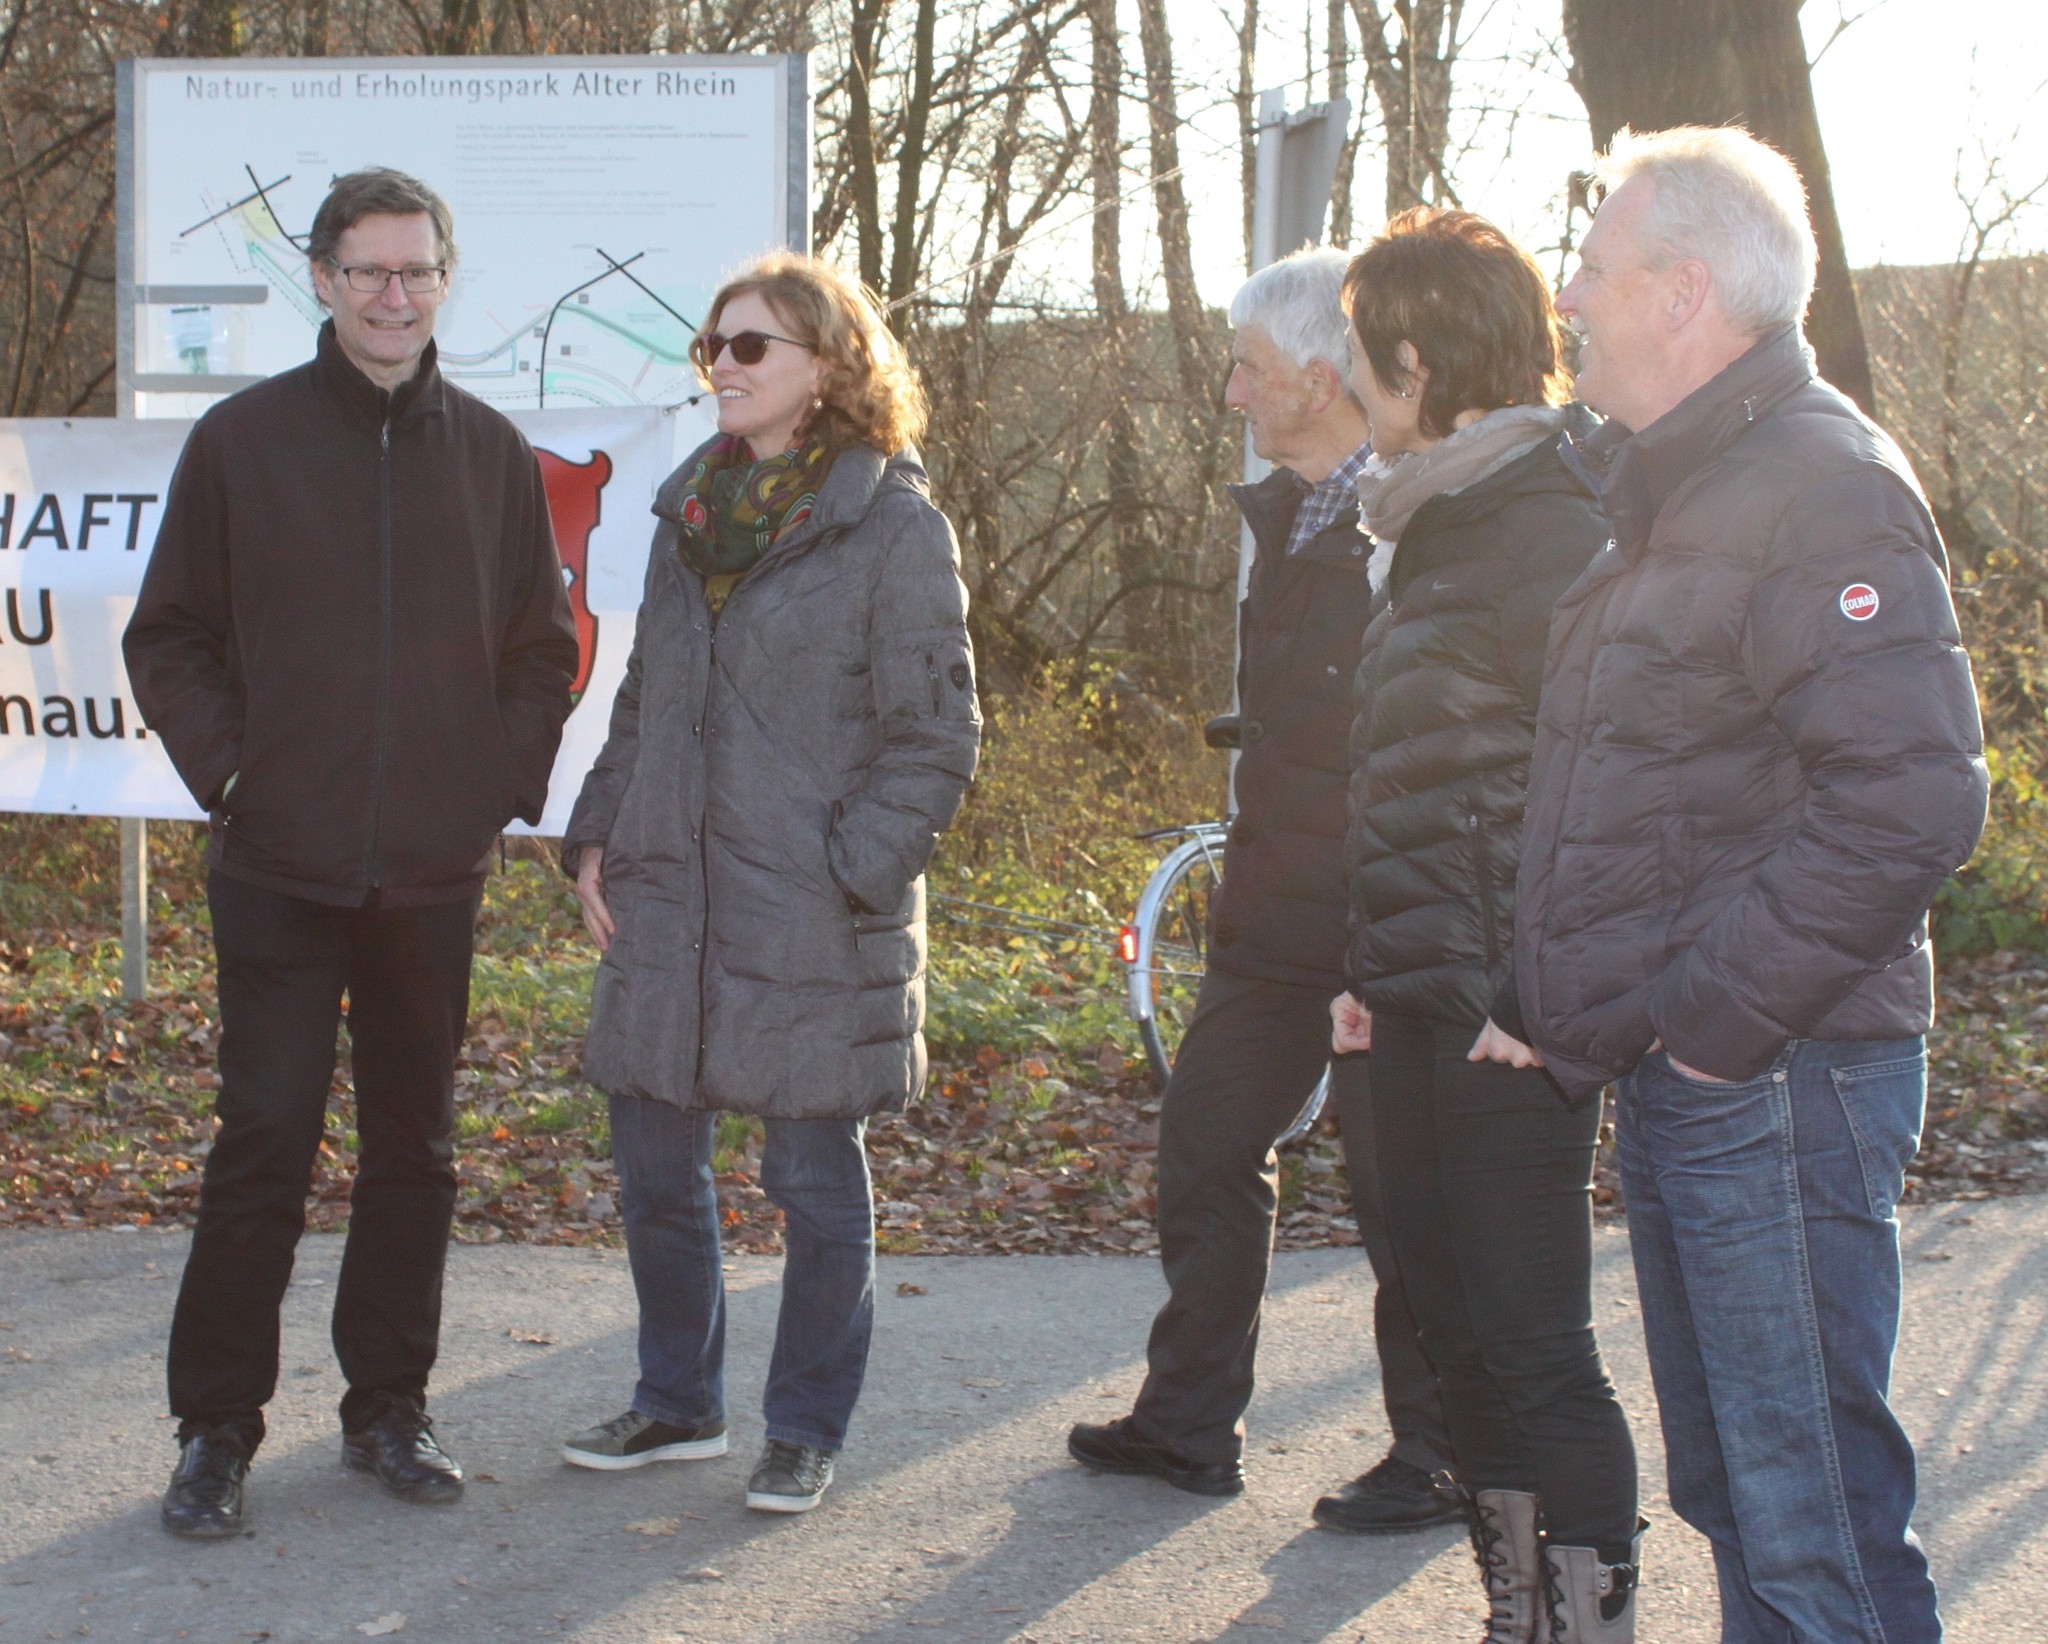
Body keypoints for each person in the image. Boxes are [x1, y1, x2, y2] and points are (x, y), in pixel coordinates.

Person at [1504, 127, 1987, 1644]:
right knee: (1741, 1495)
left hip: (1775, 1070)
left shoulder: (1818, 485)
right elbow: (1646, 790)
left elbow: (1911, 796)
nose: (1568, 296)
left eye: (1593, 269)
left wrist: (1712, 1024)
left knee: (1810, 1515)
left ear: (1684, 291)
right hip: (1703, 1068)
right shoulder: (1681, 485)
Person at [124, 168, 579, 1538]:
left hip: (429, 877)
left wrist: (489, 788)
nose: (397, 296)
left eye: (419, 271)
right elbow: (170, 638)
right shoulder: (241, 442)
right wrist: (238, 774)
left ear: (446, 279)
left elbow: (539, 653)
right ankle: (215, 1429)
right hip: (276, 864)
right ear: (320, 280)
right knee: (262, 1139)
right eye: (371, 272)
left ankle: (389, 1406)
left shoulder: (493, 456)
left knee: (416, 1151)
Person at [558, 252, 979, 1516]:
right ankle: (676, 1405)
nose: (724, 367)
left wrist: (849, 871)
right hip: (668, 896)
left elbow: (936, 739)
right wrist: (595, 838)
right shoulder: (688, 516)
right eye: (714, 347)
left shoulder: (892, 526)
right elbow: (642, 700)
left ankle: (802, 1427)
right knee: (651, 1164)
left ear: (830, 369)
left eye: (752, 346)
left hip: (809, 912)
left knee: (809, 1180)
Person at [1068, 245, 1456, 1533]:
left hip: (1383, 919)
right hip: (1274, 915)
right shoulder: (1290, 515)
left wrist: (1384, 931)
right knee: (1205, 1142)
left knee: (1399, 1191)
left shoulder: (1404, 520)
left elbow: (1418, 744)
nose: (1229, 391)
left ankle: (1439, 1450)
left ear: (1315, 374)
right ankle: (1186, 1427)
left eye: (1245, 367)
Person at [1329, 208, 1640, 1642]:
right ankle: (1518, 1614)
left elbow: (1612, 787)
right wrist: (1365, 970)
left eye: (1358, 356)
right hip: (1417, 993)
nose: (1349, 386)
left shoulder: (1550, 526)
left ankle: (1586, 1622)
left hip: (1516, 1011)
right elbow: (1411, 779)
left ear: (1411, 355)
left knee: (1529, 1343)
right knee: (1454, 1340)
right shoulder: (1432, 520)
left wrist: (1539, 986)